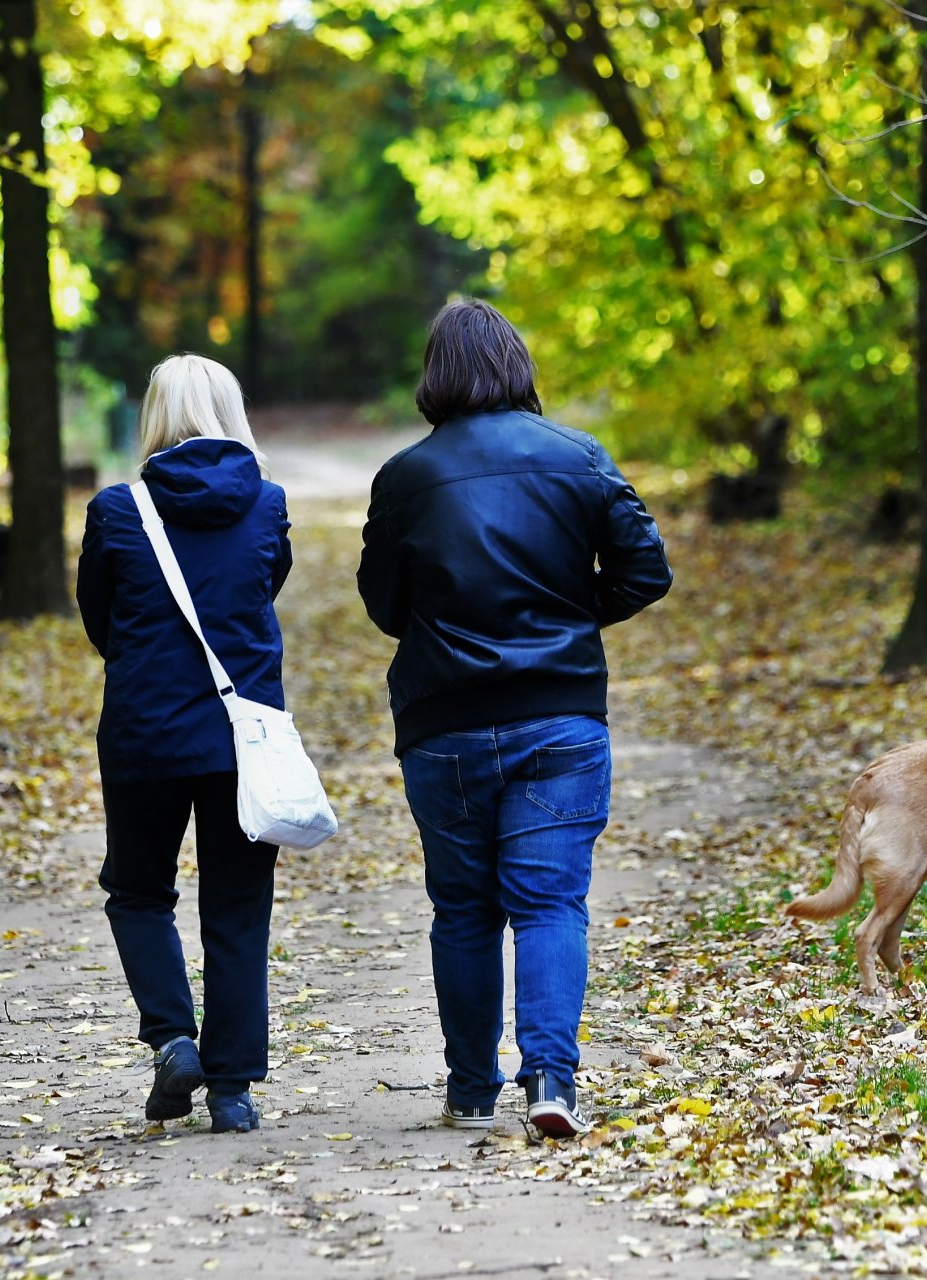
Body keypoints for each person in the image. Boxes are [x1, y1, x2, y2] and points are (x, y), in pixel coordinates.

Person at [358, 298, 672, 1136]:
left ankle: (468, 1089)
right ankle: (552, 1082)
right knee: (549, 903)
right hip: (559, 714)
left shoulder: (405, 478)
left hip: (444, 722)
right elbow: (647, 572)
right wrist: (570, 618)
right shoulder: (580, 456)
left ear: (436, 375)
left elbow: (384, 608)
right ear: (516, 365)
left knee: (463, 910)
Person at [77, 354, 292, 1134]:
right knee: (237, 908)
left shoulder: (115, 509)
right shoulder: (266, 505)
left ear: (154, 416)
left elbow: (100, 623)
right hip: (244, 742)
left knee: (138, 892)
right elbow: (264, 591)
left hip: (145, 736)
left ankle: (174, 1040)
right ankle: (232, 1090)